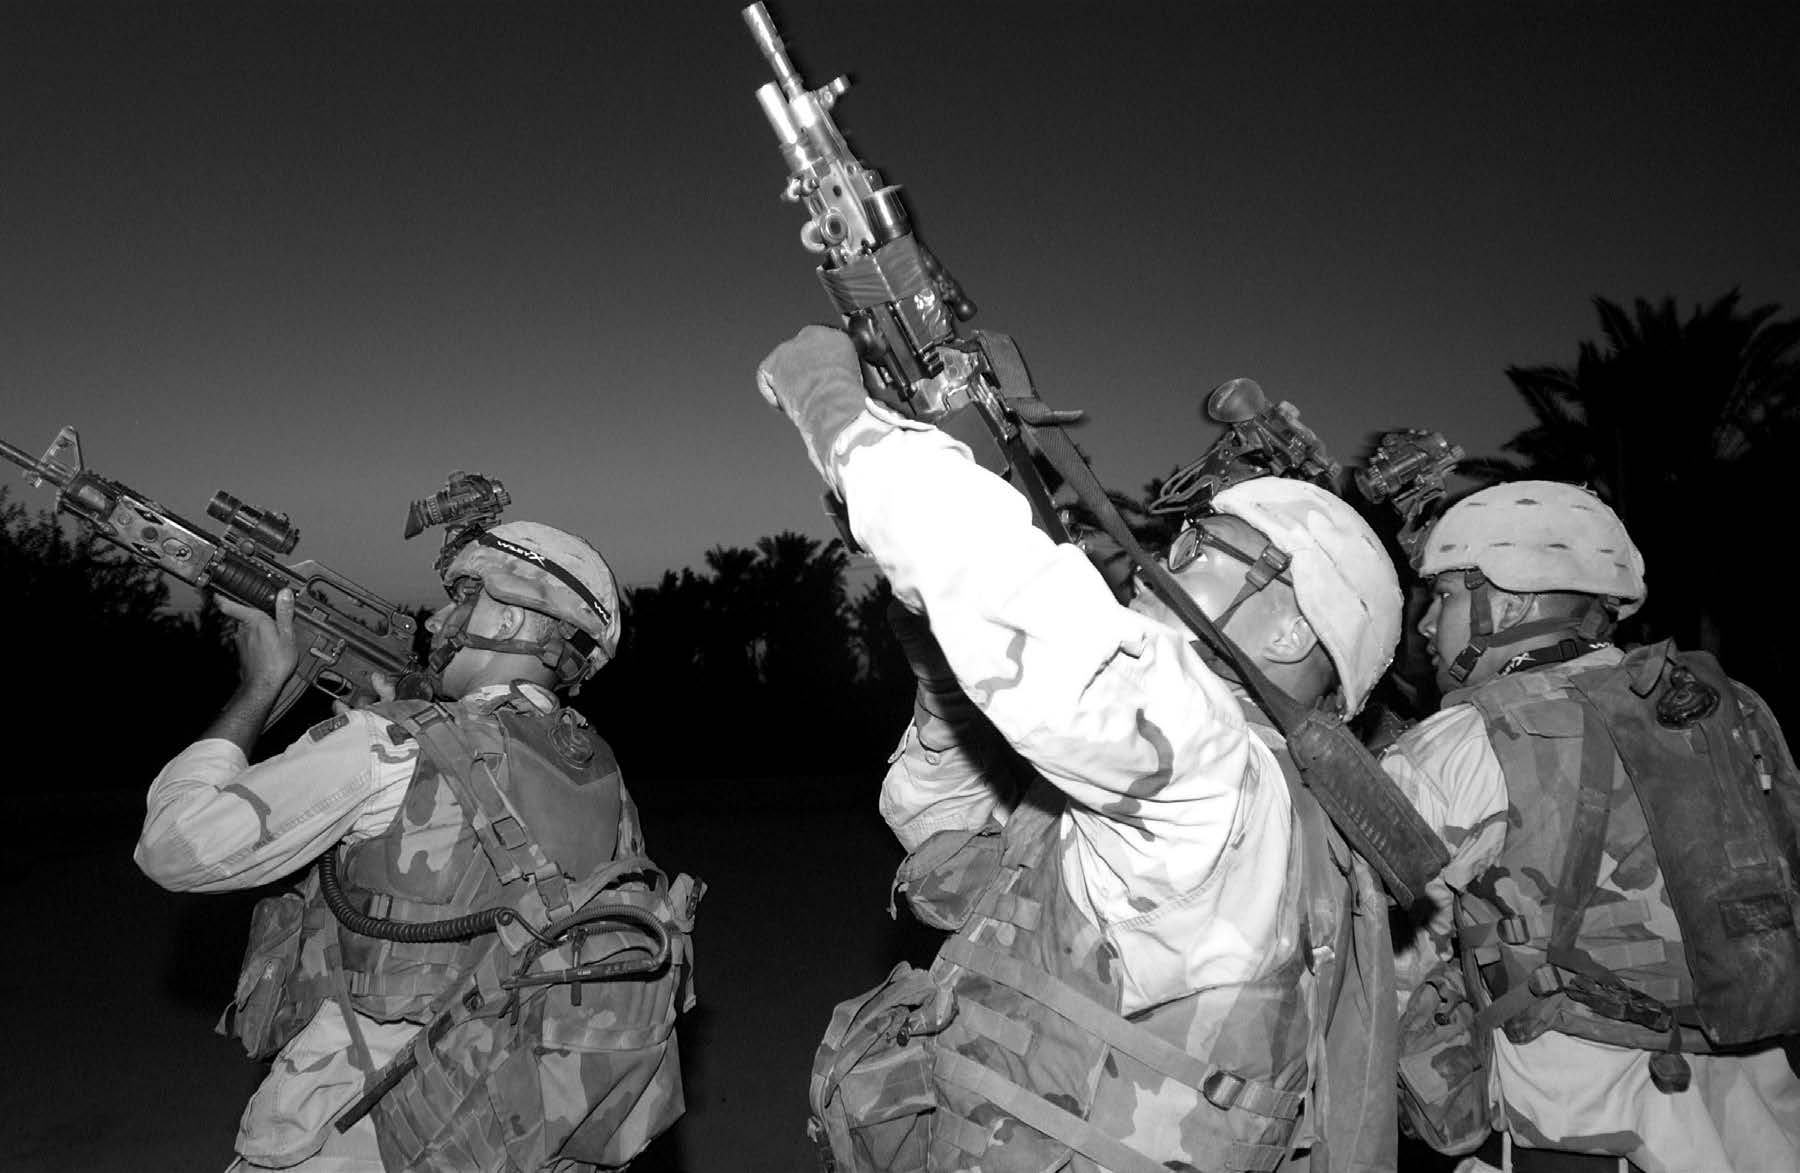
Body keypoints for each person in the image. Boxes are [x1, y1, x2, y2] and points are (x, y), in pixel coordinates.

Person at [756, 324, 1406, 1173]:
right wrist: (939, 665)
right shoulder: (1217, 792)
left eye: (1201, 548)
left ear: (1290, 626)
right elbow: (942, 832)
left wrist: (838, 415)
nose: (1161, 561)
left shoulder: (1213, 772)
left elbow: (1016, 600)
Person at [136, 520, 698, 1173]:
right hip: (508, 1132)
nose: (437, 618)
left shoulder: (392, 745)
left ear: (515, 622)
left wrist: (260, 685)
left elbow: (174, 843)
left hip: (367, 1129)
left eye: (465, 597)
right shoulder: (600, 771)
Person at [1381, 481, 1800, 1173]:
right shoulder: (1732, 709)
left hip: (1577, 1133)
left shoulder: (1464, 736)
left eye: (1448, 595)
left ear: (1508, 602)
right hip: (1761, 1117)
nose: (1427, 624)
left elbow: (1369, 952)